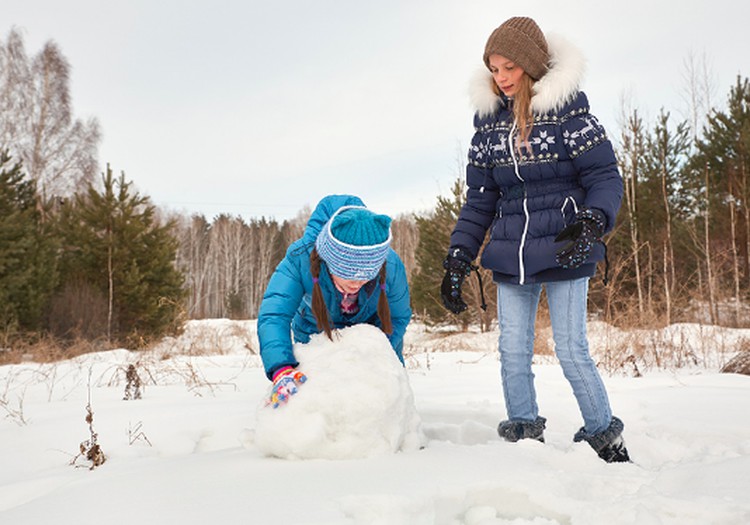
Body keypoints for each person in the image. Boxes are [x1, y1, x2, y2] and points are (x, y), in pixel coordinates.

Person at [441, 17, 629, 462]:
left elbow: (604, 176)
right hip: (511, 250)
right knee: (512, 351)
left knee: (570, 348)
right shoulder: (488, 125)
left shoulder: (569, 112)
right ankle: (525, 440)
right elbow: (480, 198)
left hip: (567, 242)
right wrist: (458, 255)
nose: (501, 78)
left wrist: (592, 220)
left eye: (509, 67)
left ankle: (605, 439)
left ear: (529, 65)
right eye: (494, 68)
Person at [258, 194, 412, 408]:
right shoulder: (300, 258)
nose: (356, 283)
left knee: (376, 402)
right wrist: (281, 367)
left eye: (366, 275)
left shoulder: (391, 265)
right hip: (315, 332)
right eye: (348, 273)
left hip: (371, 335)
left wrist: (373, 352)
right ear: (329, 261)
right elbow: (274, 315)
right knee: (315, 402)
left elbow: (398, 316)